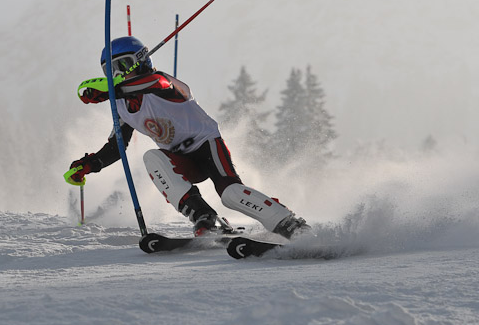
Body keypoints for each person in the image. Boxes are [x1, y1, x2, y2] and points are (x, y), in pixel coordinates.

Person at [69, 36, 306, 237]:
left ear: (141, 61)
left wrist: (113, 89)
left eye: (124, 65)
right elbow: (116, 147)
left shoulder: (163, 83)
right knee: (151, 157)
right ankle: (203, 216)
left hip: (206, 145)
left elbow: (155, 82)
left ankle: (288, 223)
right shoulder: (122, 108)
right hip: (180, 159)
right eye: (110, 70)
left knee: (230, 194)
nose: (117, 73)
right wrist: (89, 165)